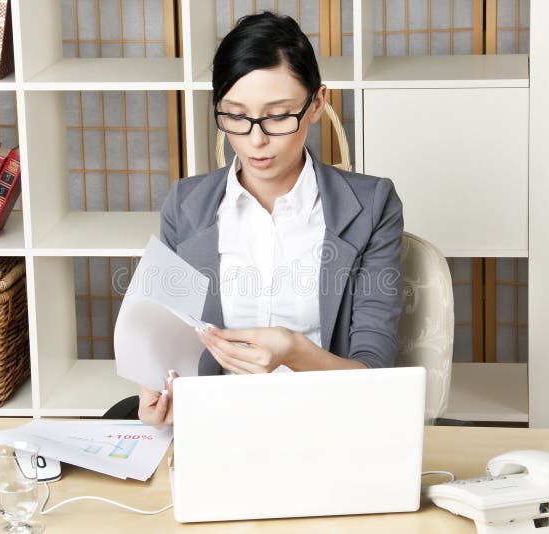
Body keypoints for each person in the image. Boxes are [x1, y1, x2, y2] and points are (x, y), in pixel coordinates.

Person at [138, 12, 404, 426]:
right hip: (217, 425)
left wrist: (294, 351)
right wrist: (157, 388)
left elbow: (376, 377)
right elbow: (164, 344)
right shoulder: (185, 205)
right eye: (236, 116)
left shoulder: (372, 206)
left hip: (330, 423)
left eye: (278, 115)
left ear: (317, 103)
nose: (256, 139)